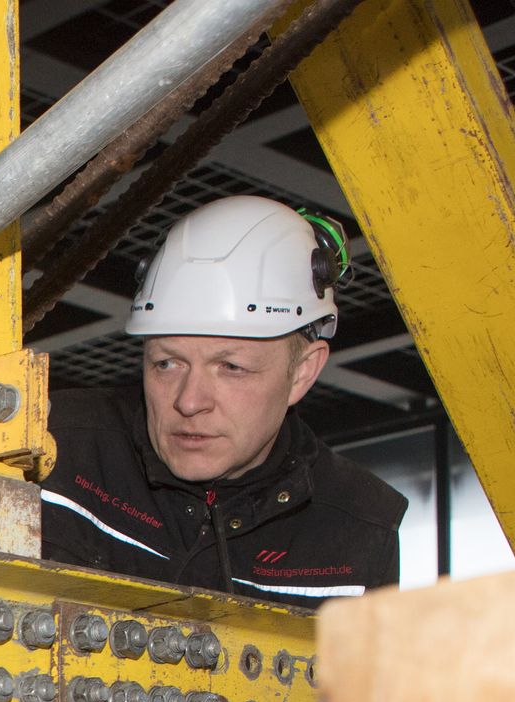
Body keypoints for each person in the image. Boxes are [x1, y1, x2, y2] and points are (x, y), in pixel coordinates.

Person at [40, 195, 405, 606]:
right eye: (166, 364)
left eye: (231, 367)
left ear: (302, 372)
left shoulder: (358, 528)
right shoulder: (54, 448)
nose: (189, 402)